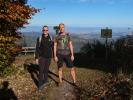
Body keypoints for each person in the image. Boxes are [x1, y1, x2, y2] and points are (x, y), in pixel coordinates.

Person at [35, 25, 52, 91]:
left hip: (49, 57)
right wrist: (36, 57)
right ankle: (40, 85)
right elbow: (37, 48)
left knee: (46, 70)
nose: (45, 31)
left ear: (48, 31)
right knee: (41, 71)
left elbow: (52, 47)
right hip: (41, 57)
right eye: (44, 30)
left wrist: (54, 55)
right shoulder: (39, 38)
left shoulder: (50, 37)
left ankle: (45, 81)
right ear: (42, 31)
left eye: (46, 30)